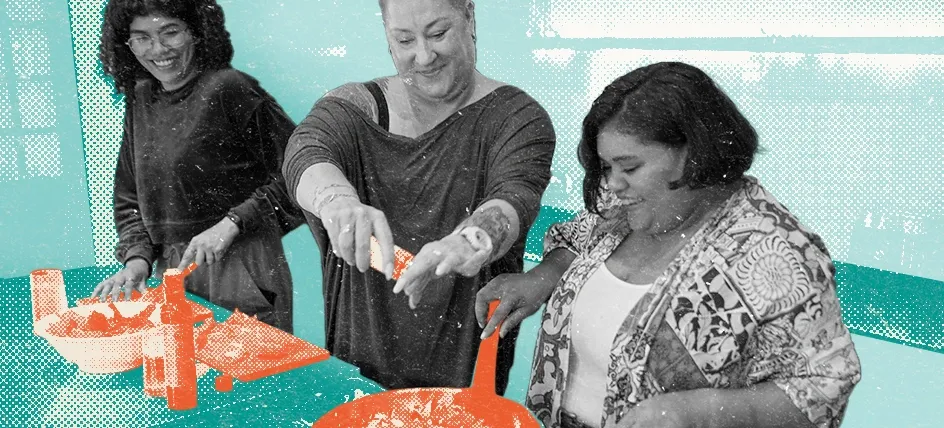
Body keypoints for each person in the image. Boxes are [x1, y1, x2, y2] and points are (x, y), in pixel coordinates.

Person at [476, 62, 861, 428]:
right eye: (606, 168)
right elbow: (577, 241)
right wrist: (545, 276)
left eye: (629, 168)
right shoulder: (625, 206)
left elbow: (821, 387)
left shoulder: (778, 250)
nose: (611, 184)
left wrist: (699, 412)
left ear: (693, 153)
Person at [282, 0, 555, 392]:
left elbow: (514, 196)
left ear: (469, 18)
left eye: (438, 33)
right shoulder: (356, 105)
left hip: (463, 383)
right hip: (355, 376)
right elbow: (307, 149)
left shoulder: (517, 117)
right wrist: (337, 200)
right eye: (404, 39)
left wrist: (469, 241)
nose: (423, 56)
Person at [90, 0, 303, 333]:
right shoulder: (141, 97)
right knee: (184, 379)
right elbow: (130, 199)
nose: (158, 49)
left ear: (197, 32)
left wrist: (232, 223)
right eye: (142, 37)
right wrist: (136, 260)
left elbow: (304, 176)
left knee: (246, 382)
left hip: (241, 266)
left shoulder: (230, 88)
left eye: (170, 32)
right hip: (171, 275)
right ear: (126, 44)